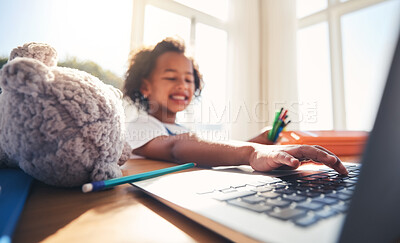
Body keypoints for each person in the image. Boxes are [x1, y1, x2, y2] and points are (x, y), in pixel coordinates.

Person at [123, 37, 348, 174]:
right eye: (171, 77)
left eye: (189, 79)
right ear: (145, 87)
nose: (183, 85)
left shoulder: (182, 132)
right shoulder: (140, 125)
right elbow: (175, 148)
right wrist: (252, 152)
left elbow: (209, 154)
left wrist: (256, 144)